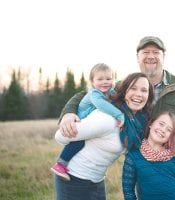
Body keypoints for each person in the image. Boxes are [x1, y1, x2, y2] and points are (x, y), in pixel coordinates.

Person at [59, 36, 175, 174]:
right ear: (137, 58)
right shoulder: (126, 86)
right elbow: (88, 94)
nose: (151, 56)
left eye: (156, 52)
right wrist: (68, 113)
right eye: (145, 52)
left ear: (163, 57)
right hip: (143, 170)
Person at [54, 72, 154, 200]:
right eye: (133, 88)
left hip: (97, 181)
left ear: (148, 96)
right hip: (74, 178)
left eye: (144, 90)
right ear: (124, 92)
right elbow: (60, 137)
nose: (138, 94)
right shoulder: (107, 118)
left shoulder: (137, 122)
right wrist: (69, 119)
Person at [51, 63, 125, 181]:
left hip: (89, 122)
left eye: (108, 78)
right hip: (80, 120)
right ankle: (60, 164)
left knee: (86, 141)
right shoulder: (93, 93)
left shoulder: (110, 92)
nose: (105, 82)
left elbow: (117, 98)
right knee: (78, 142)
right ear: (92, 82)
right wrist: (119, 115)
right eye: (100, 79)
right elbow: (102, 105)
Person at [122, 110, 175, 200]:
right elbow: (128, 191)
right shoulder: (133, 156)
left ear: (171, 136)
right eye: (161, 124)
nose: (163, 130)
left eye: (169, 130)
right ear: (151, 124)